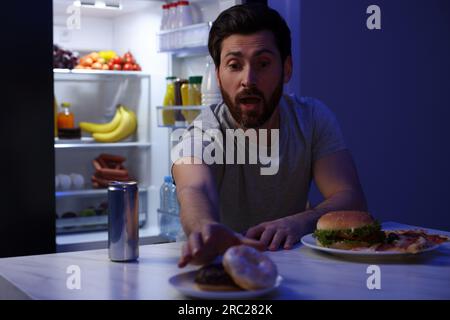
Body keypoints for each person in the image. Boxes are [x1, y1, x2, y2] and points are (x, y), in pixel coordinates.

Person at [173, 3, 367, 268]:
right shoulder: (205, 129)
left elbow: (351, 197)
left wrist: (299, 221)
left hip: (295, 265)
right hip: (221, 266)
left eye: (263, 63)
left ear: (286, 69)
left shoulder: (311, 118)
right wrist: (204, 228)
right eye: (234, 65)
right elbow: (194, 188)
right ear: (218, 75)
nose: (248, 79)